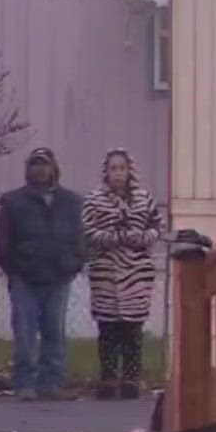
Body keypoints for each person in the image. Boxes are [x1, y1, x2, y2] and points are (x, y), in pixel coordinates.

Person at [0, 146, 85, 401]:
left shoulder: (71, 202)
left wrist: (74, 263)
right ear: (28, 169)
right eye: (35, 164)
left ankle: (52, 381)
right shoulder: (13, 201)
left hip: (58, 276)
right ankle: (24, 382)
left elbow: (80, 237)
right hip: (24, 277)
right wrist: (13, 269)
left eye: (44, 164)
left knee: (54, 330)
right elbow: (3, 241)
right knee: (24, 332)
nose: (40, 169)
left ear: (54, 168)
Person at [81, 148, 163, 400]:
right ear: (106, 171)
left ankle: (130, 379)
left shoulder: (144, 198)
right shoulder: (94, 199)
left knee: (132, 329)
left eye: (122, 168)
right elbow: (88, 231)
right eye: (113, 168)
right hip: (105, 271)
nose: (118, 173)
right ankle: (107, 379)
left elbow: (158, 226)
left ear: (130, 171)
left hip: (136, 273)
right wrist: (116, 238)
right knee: (108, 329)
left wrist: (145, 237)